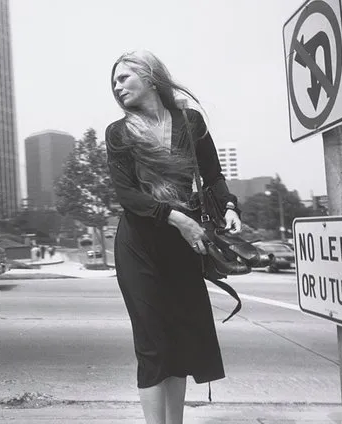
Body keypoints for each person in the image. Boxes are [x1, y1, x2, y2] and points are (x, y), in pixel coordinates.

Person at [105, 50, 242, 424]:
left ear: (150, 78)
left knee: (179, 343)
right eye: (113, 82)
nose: (117, 87)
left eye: (124, 78)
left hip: (184, 246)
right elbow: (128, 195)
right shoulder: (118, 133)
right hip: (140, 245)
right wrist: (178, 218)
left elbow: (213, 176)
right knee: (152, 347)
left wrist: (230, 207)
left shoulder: (189, 122)